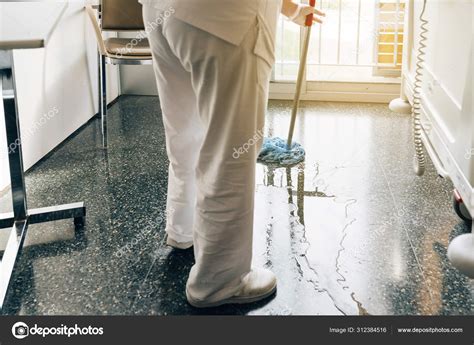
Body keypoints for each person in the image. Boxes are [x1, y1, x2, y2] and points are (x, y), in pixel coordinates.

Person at [140, 0, 324, 308]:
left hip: (163, 13)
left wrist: (291, 10)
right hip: (224, 21)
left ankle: (182, 230)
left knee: (185, 136)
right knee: (230, 151)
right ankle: (218, 282)